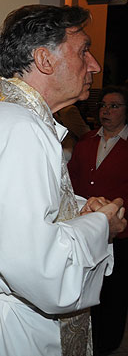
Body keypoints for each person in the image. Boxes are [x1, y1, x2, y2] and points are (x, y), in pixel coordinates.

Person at [0, 5, 126, 356]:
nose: (95, 65)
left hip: (0, 311)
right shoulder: (21, 129)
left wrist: (79, 212)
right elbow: (35, 264)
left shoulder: (8, 116)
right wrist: (102, 225)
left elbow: (16, 225)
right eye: (83, 51)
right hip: (16, 325)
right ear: (44, 59)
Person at [68, 86, 128, 355]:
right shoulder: (87, 141)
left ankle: (108, 345)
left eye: (114, 106)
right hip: (86, 230)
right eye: (104, 105)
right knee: (89, 288)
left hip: (121, 233)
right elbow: (71, 182)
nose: (106, 110)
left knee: (115, 293)